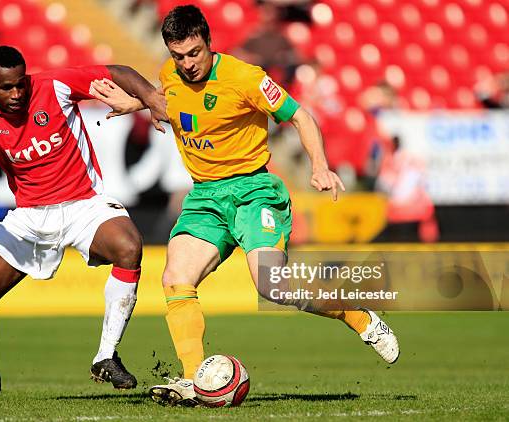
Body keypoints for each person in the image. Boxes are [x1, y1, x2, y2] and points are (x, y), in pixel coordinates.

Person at [90, 5, 400, 407]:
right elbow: (174, 102)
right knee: (174, 279)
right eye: (178, 56)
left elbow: (301, 117)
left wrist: (320, 167)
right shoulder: (170, 76)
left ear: (208, 43)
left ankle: (358, 317)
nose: (186, 64)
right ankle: (192, 379)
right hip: (204, 197)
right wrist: (138, 103)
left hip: (254, 192)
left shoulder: (245, 78)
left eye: (194, 54)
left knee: (273, 287)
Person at [0, 45, 167, 402]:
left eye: (21, 84)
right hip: (30, 218)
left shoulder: (53, 86)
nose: (18, 93)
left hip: (84, 205)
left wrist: (150, 98)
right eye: (7, 87)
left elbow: (118, 71)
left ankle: (106, 355)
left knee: (129, 247)